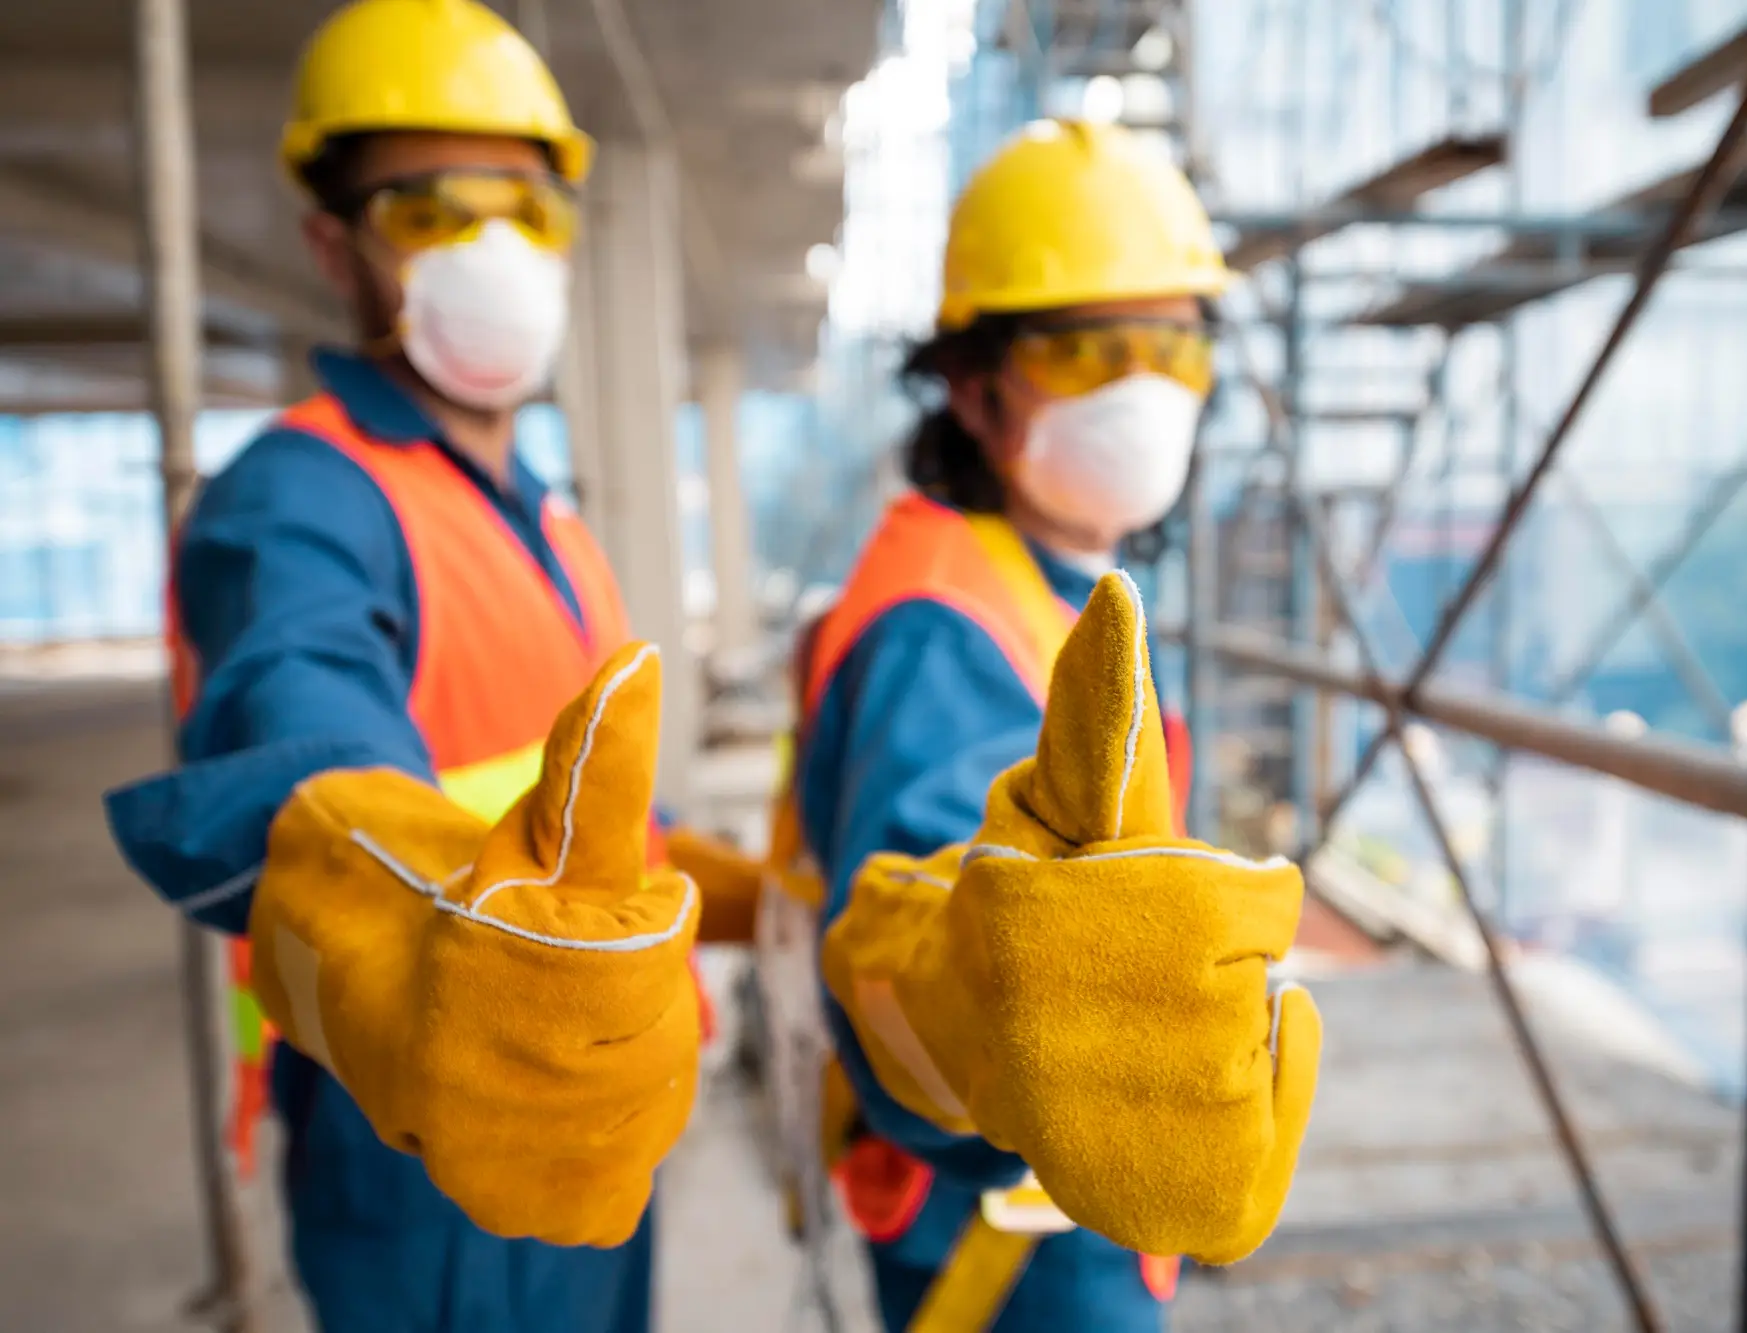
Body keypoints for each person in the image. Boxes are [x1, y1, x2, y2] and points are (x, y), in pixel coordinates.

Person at [100, 1, 741, 1328]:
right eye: (432, 207)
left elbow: (584, 814)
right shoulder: (304, 497)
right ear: (333, 243)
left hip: (595, 1092)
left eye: (526, 207)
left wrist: (744, 896)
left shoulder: (552, 525)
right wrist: (419, 899)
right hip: (421, 1130)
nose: (494, 248)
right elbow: (307, 730)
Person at [797, 119, 1317, 1332]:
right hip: (1011, 1243)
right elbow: (919, 905)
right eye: (1087, 350)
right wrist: (1014, 1003)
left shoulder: (1042, 580)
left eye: (1171, 349)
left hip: (1060, 1206)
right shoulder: (942, 623)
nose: (1139, 387)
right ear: (976, 390)